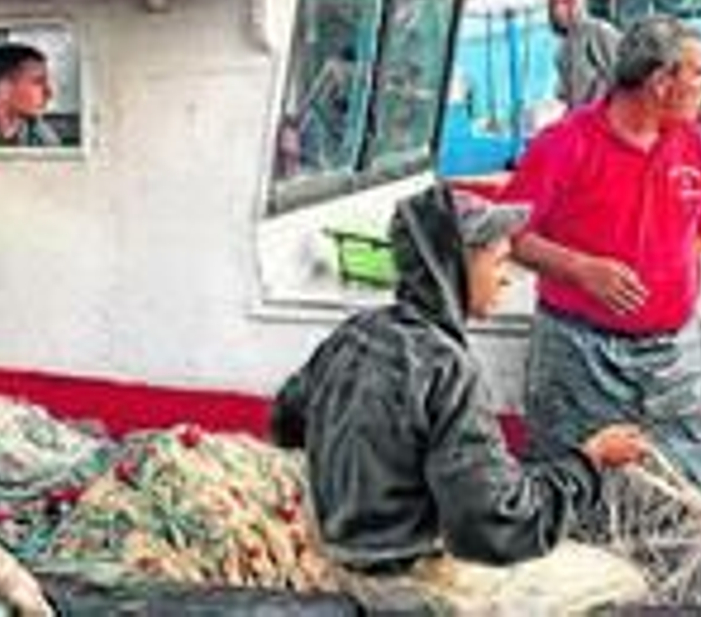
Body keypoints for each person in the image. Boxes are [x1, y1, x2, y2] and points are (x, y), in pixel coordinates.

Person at [271, 185, 652, 607]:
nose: (506, 277)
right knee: (622, 580)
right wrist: (590, 461)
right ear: (453, 265)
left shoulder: (356, 332)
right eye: (500, 262)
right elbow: (496, 526)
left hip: (342, 562)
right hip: (408, 585)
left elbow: (286, 421)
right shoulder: (447, 367)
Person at [504, 15, 701, 495]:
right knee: (577, 486)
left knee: (694, 485)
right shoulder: (566, 142)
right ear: (661, 82)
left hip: (673, 352)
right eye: (699, 74)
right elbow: (509, 234)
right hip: (578, 351)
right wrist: (580, 269)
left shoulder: (693, 142)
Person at [548, 0, 622, 109]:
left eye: (566, 2)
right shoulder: (563, 49)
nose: (559, 10)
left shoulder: (599, 31)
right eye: (555, 4)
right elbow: (565, 93)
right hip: (580, 117)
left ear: (579, 3)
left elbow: (624, 69)